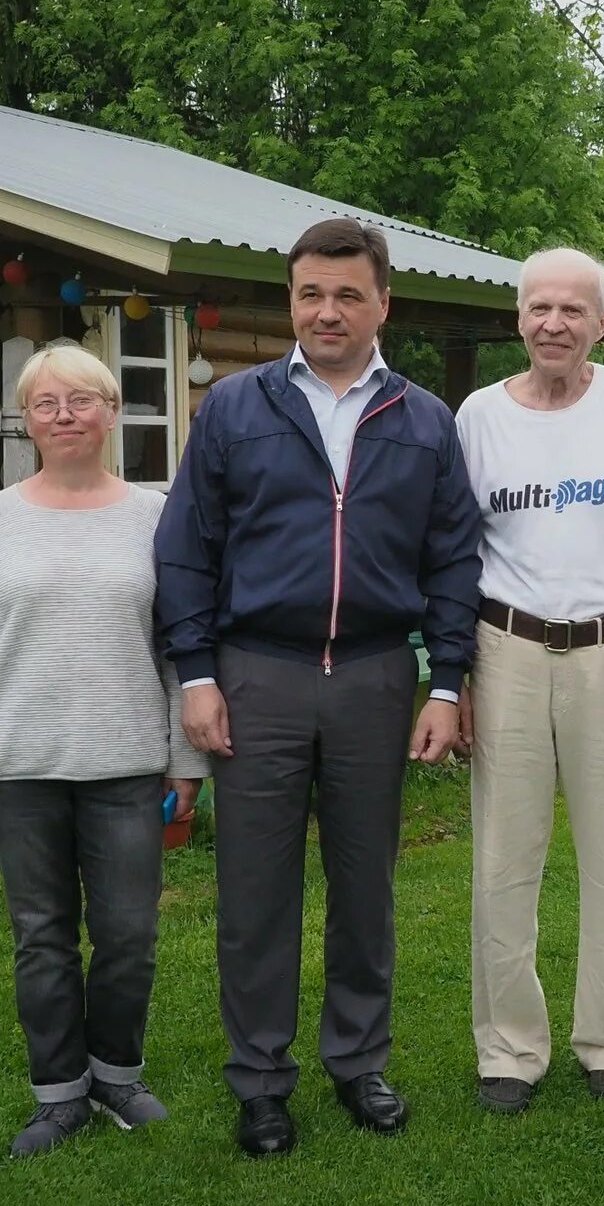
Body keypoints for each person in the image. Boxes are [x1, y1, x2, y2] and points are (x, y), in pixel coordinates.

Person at [155, 219, 482, 1158]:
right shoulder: (234, 409)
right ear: (291, 301)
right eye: (310, 294)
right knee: (255, 889)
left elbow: (455, 558)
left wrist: (447, 682)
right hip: (258, 672)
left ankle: (357, 1059)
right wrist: (199, 673)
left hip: (378, 675)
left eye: (347, 294)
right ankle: (260, 1080)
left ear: (383, 303)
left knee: (364, 884)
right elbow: (186, 550)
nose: (327, 311)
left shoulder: (424, 420)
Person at [0, 340, 207, 1158]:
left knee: (126, 934)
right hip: (19, 766)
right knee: (42, 936)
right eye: (47, 404)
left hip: (125, 763)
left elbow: (177, 647)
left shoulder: (155, 517)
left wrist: (187, 765)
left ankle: (117, 1072)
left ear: (112, 413)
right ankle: (58, 1094)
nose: (65, 416)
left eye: (82, 400)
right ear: (28, 421)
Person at [455, 247, 604, 1113]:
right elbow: (456, 549)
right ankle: (509, 1050)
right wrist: (457, 678)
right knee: (503, 861)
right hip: (506, 646)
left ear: (601, 321)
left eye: (573, 310)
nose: (554, 324)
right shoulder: (479, 415)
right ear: (518, 317)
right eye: (538, 308)